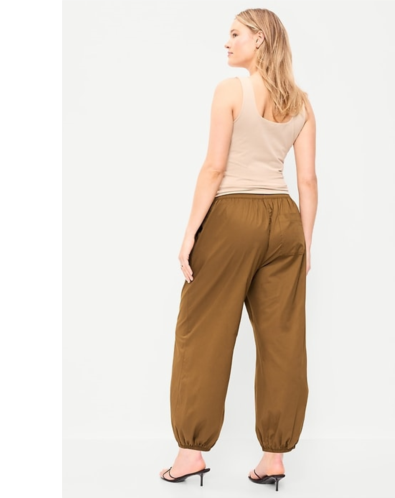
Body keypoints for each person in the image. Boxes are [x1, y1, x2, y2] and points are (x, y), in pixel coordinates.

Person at [159, 7, 318, 492]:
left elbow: (214, 168)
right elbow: (308, 182)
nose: (226, 42)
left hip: (232, 217)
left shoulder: (231, 91)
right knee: (282, 340)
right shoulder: (302, 103)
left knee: (203, 331)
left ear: (260, 40)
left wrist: (190, 232)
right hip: (285, 220)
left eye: (235, 34)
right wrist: (305, 245)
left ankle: (190, 454)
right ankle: (274, 458)